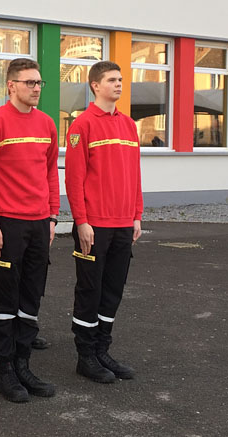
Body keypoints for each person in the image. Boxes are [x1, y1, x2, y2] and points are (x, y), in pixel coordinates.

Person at [0, 58, 59, 403]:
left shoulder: (47, 124)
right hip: (6, 223)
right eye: (29, 83)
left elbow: (51, 172)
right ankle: (5, 370)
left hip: (39, 223)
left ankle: (24, 365)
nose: (36, 88)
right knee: (5, 297)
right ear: (11, 86)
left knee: (32, 295)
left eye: (39, 83)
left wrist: (52, 216)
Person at [64, 60, 142, 384]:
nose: (119, 84)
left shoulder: (128, 125)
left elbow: (135, 175)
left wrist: (137, 214)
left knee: (113, 290)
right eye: (112, 80)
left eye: (121, 79)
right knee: (89, 290)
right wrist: (81, 221)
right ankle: (85, 356)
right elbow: (74, 178)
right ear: (95, 85)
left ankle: (102, 349)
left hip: (124, 223)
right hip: (94, 225)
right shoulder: (81, 125)